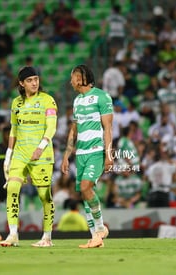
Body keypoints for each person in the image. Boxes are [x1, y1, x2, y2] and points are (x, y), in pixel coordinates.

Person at [0, 66, 57, 247]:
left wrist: (41, 147)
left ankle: (47, 237)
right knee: (12, 188)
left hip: (42, 154)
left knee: (44, 195)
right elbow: (13, 129)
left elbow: (51, 127)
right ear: (22, 83)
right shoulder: (16, 103)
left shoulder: (48, 100)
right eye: (30, 80)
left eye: (36, 79)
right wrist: (8, 154)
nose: (34, 83)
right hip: (21, 153)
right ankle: (13, 234)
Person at [61, 64, 112, 249]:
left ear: (81, 77)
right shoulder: (77, 101)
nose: (70, 81)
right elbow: (73, 131)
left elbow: (108, 128)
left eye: (72, 77)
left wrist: (108, 154)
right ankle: (95, 238)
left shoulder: (102, 96)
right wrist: (66, 155)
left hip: (96, 151)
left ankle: (100, 230)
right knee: (84, 194)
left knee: (85, 186)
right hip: (80, 153)